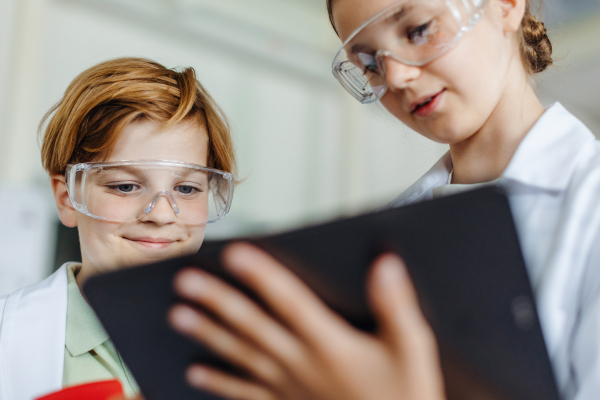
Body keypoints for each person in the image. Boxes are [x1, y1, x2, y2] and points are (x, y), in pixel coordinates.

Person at [167, 1, 600, 400]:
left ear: (506, 6)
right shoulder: (381, 235)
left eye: (417, 30)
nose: (395, 77)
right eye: (369, 63)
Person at [0, 57, 236, 400]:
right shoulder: (9, 336)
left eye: (186, 189)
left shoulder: (245, 347)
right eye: (125, 186)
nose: (161, 215)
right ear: (67, 199)